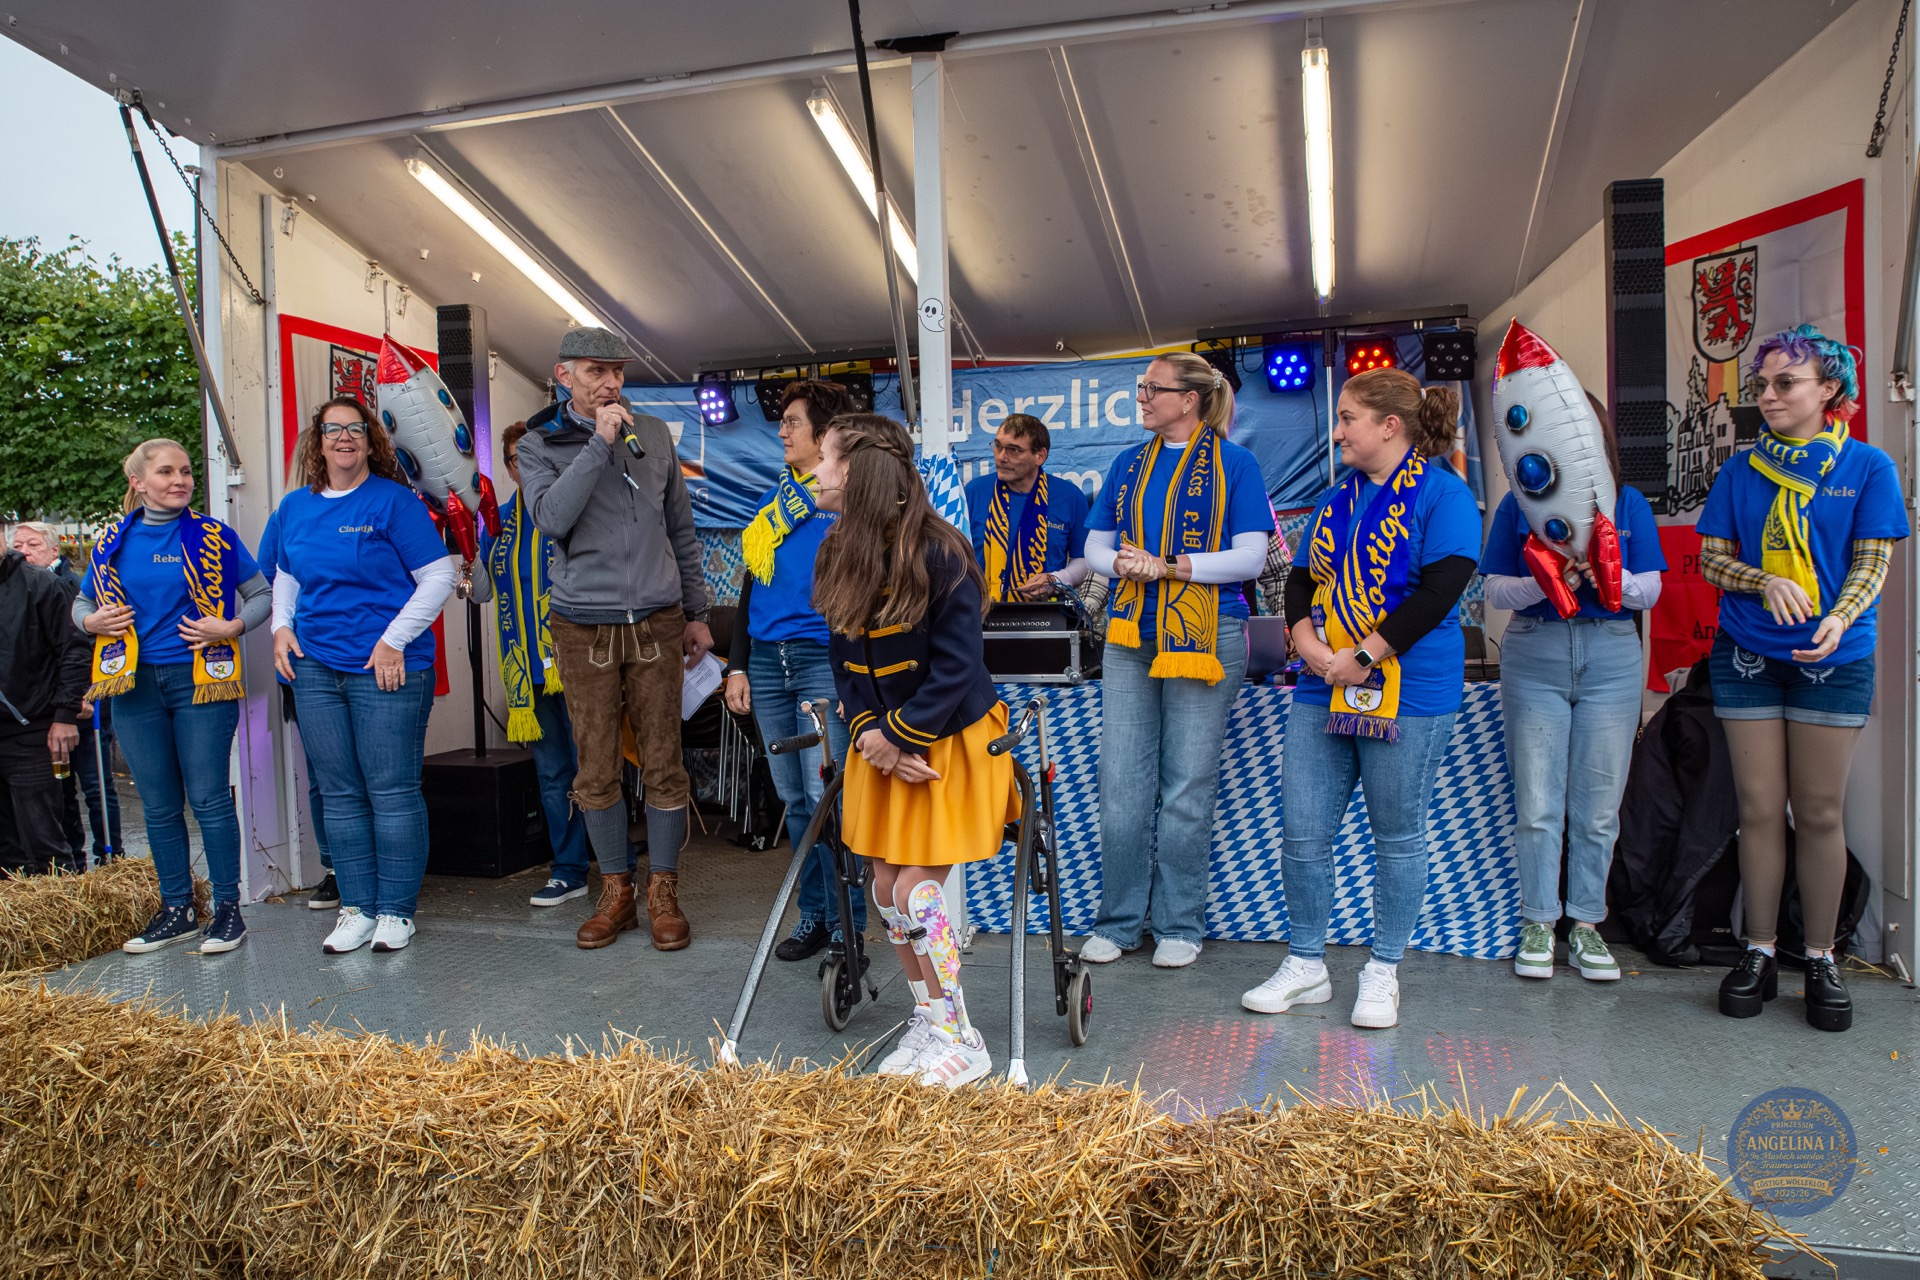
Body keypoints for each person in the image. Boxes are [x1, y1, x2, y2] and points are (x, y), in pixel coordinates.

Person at [1244, 369, 1479, 1029]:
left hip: (1408, 692)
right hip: (1323, 687)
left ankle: (1383, 969)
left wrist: (1364, 656)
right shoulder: (1336, 499)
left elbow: (1440, 593)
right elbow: (1298, 580)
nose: (1338, 430)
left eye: (1348, 418)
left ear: (1389, 426)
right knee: (1303, 831)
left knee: (1397, 835)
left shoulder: (1445, 496)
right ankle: (1307, 963)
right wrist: (1306, 644)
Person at [1697, 325, 1908, 1033]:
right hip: (1749, 654)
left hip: (1834, 658)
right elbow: (1712, 560)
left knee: (1819, 813)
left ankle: (1820, 957)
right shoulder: (1739, 470)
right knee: (1758, 809)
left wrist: (1839, 619)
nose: (1768, 396)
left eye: (1785, 383)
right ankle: (1757, 950)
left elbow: (1872, 562)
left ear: (1830, 390)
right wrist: (1760, 581)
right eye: (1761, 385)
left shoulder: (1869, 467)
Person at [812, 413, 1019, 1087]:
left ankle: (965, 1039)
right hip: (881, 744)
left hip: (951, 743)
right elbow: (844, 656)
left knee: (917, 886)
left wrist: (900, 737)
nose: (814, 472)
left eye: (825, 459)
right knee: (884, 884)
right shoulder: (838, 547)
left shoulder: (941, 552)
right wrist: (873, 732)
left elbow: (959, 666)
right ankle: (930, 1017)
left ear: (859, 472)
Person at [516, 327, 711, 951]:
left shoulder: (652, 435)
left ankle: (664, 891)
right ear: (563, 374)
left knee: (664, 760)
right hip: (583, 625)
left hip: (658, 619)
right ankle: (616, 891)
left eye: (618, 372)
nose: (612, 383)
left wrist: (698, 613)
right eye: (598, 371)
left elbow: (681, 528)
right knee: (595, 766)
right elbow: (550, 518)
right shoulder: (538, 443)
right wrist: (598, 444)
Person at [1078, 352, 1272, 970]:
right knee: (1121, 785)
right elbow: (1093, 547)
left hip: (1209, 636)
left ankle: (1181, 923)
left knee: (1187, 785)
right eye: (1141, 387)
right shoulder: (1127, 463)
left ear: (1189, 399)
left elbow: (1251, 558)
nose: (1142, 397)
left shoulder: (1235, 465)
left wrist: (1170, 567)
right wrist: (1128, 566)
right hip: (1131, 630)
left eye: (1152, 388)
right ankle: (1118, 921)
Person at [1480, 415, 1665, 982]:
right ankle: (1539, 920)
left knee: (1599, 805)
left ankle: (1586, 925)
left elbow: (1650, 589)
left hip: (1610, 653)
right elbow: (1492, 588)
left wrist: (1610, 577)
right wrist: (1547, 580)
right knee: (1537, 801)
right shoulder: (1519, 503)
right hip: (1535, 650)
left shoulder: (1625, 501)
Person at [272, 397, 457, 954]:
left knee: (392, 791)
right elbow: (284, 574)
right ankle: (356, 908)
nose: (344, 438)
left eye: (355, 429)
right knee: (339, 793)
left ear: (370, 439)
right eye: (334, 430)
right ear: (318, 440)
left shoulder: (395, 501)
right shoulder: (294, 509)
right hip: (315, 669)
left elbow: (439, 576)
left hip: (387, 668)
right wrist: (281, 627)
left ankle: (396, 913)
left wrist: (392, 640)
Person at [75, 439, 271, 953]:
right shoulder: (111, 542)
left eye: (185, 471)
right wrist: (90, 621)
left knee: (208, 799)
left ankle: (228, 911)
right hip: (134, 686)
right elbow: (82, 603)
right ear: (138, 482)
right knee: (159, 806)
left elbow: (261, 595)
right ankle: (177, 910)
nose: (180, 480)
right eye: (166, 472)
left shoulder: (214, 536)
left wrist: (230, 626)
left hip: (200, 681)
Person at [723, 379, 867, 961]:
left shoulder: (844, 503)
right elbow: (749, 589)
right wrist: (736, 668)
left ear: (826, 435)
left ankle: (846, 927)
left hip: (820, 661)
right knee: (796, 802)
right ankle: (814, 916)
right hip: (765, 661)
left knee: (828, 796)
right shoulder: (774, 505)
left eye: (792, 422)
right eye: (781, 422)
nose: (781, 431)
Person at [487, 419, 625, 908]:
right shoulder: (497, 523)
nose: (522, 467)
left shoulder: (571, 510)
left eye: (529, 456)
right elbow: (483, 590)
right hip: (528, 670)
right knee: (552, 775)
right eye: (513, 460)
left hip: (579, 661)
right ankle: (569, 870)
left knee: (596, 767)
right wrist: (462, 554)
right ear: (510, 467)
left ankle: (615, 866)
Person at [13, 521, 122, 869]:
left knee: (96, 786)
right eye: (18, 544)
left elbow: (83, 648)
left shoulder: (72, 587)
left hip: (85, 704)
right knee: (61, 790)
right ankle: (75, 858)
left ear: (54, 550)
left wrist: (85, 693)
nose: (24, 551)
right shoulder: (18, 588)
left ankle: (111, 857)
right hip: (52, 711)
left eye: (32, 544)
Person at [255, 502, 336, 910]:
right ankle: (336, 869)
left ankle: (385, 870)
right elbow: (267, 579)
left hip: (371, 656)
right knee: (325, 774)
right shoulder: (288, 515)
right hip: (307, 658)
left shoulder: (384, 502)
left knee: (378, 775)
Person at [0, 539, 90, 879]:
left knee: (45, 842)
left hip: (32, 730)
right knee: (5, 850)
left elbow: (74, 650)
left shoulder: (41, 583)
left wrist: (65, 715)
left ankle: (65, 921)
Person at [963, 414, 1091, 602]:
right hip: (981, 613)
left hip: (1045, 615)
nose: (1001, 457)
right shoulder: (974, 493)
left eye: (1014, 450)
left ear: (1040, 455)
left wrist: (1056, 580)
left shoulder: (1070, 497)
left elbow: (1084, 560)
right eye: (998, 446)